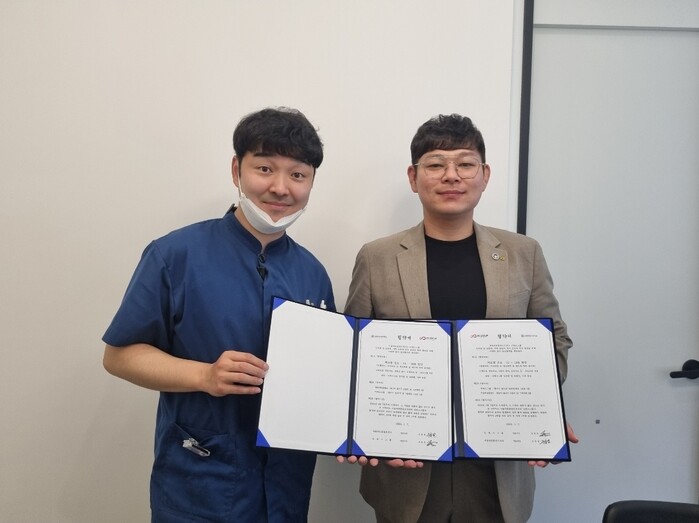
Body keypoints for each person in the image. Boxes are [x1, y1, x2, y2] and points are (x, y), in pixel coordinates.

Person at [102, 107, 335, 523]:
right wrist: (205, 376)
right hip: (200, 483)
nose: (281, 187)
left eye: (298, 174)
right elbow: (119, 355)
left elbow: (326, 379)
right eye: (265, 168)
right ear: (236, 169)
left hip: (285, 489)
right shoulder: (175, 255)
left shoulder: (313, 273)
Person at [342, 114, 576, 523]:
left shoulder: (524, 253)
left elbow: (554, 340)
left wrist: (538, 407)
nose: (451, 175)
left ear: (484, 175)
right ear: (414, 177)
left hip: (497, 471)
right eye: (436, 164)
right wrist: (364, 425)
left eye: (465, 164)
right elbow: (352, 352)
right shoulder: (377, 257)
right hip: (407, 468)